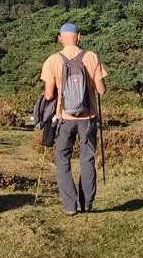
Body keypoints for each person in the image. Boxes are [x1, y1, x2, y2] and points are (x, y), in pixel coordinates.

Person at [41, 22, 108, 215]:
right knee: (87, 159)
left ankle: (70, 206)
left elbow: (48, 95)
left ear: (60, 38)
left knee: (63, 159)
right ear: (79, 36)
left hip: (64, 117)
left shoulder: (52, 60)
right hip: (88, 117)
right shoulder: (91, 56)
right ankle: (86, 204)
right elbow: (101, 90)